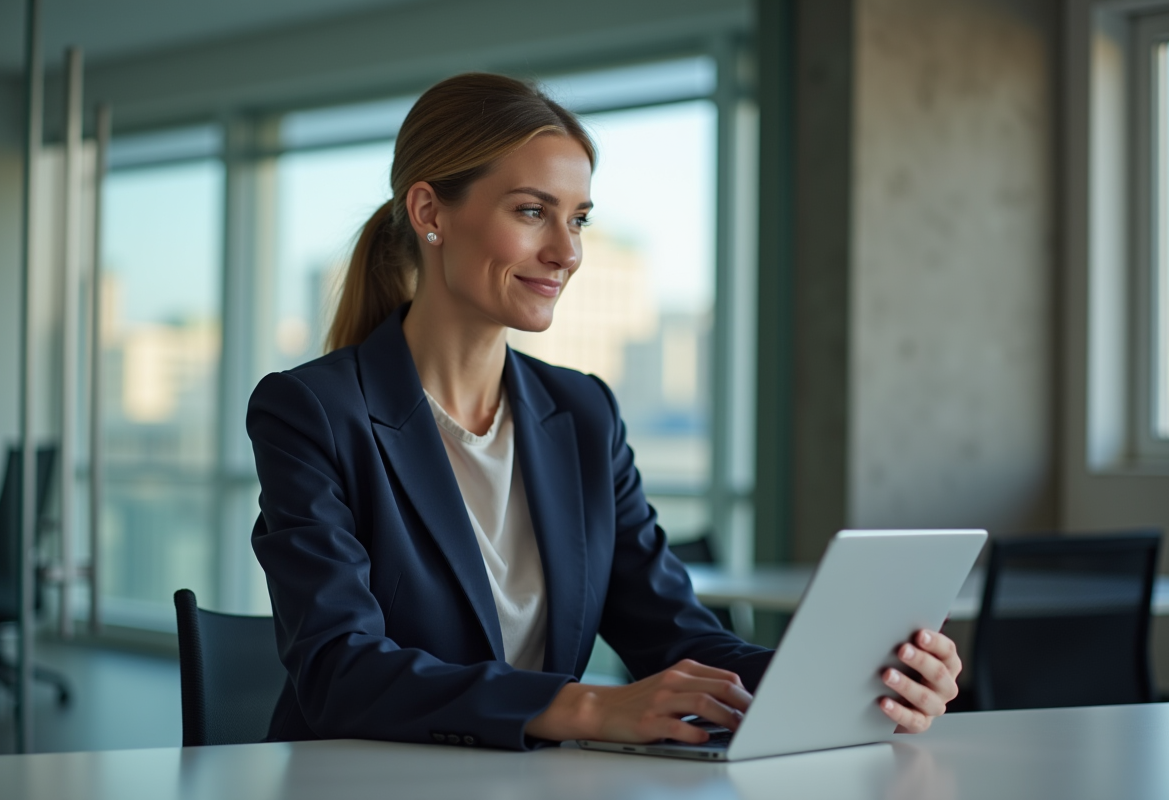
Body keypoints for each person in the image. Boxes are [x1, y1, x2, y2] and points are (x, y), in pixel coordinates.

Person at [247, 73, 962, 751]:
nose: (567, 252)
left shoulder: (582, 412)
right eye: (532, 212)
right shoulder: (312, 411)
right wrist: (588, 706)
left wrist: (860, 679)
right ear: (430, 212)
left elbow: (675, 635)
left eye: (579, 219)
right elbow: (340, 669)